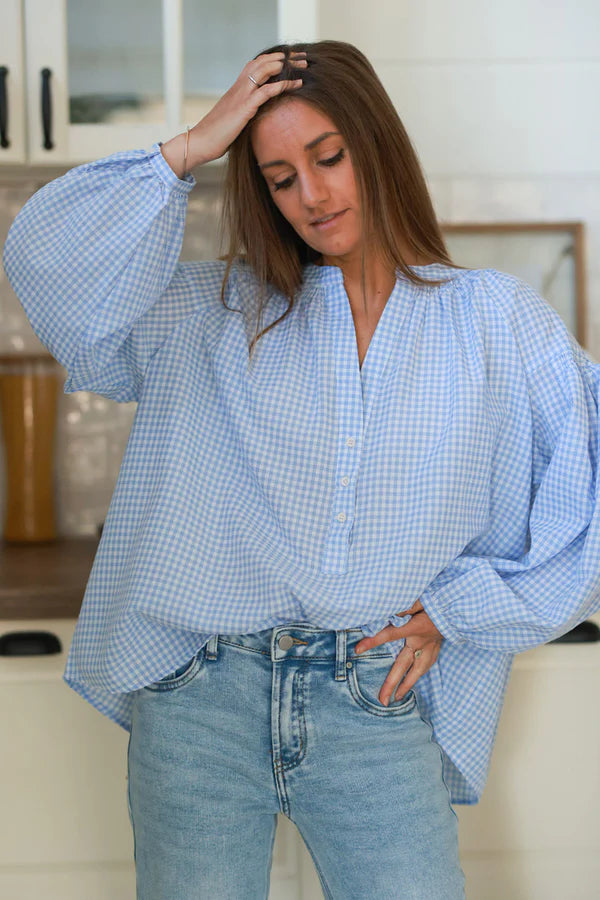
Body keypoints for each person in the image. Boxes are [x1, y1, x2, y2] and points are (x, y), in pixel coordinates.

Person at [3, 39, 600, 900]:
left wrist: (463, 607)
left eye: (329, 157)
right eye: (281, 177)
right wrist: (192, 148)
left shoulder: (494, 322)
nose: (312, 195)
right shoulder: (209, 311)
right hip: (198, 696)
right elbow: (47, 269)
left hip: (374, 693)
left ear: (377, 146)